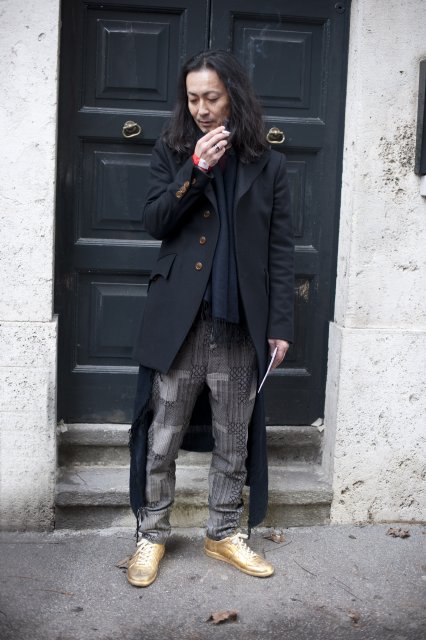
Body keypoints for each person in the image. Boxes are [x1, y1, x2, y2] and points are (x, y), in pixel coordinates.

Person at [127, 49, 294, 587]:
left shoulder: (267, 164)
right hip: (180, 323)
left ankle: (223, 533)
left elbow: (280, 250)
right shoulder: (171, 151)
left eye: (212, 98)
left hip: (238, 324)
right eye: (193, 98)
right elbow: (155, 221)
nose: (201, 109)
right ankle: (152, 535)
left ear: (233, 97)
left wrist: (280, 325)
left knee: (233, 438)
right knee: (162, 437)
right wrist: (195, 169)